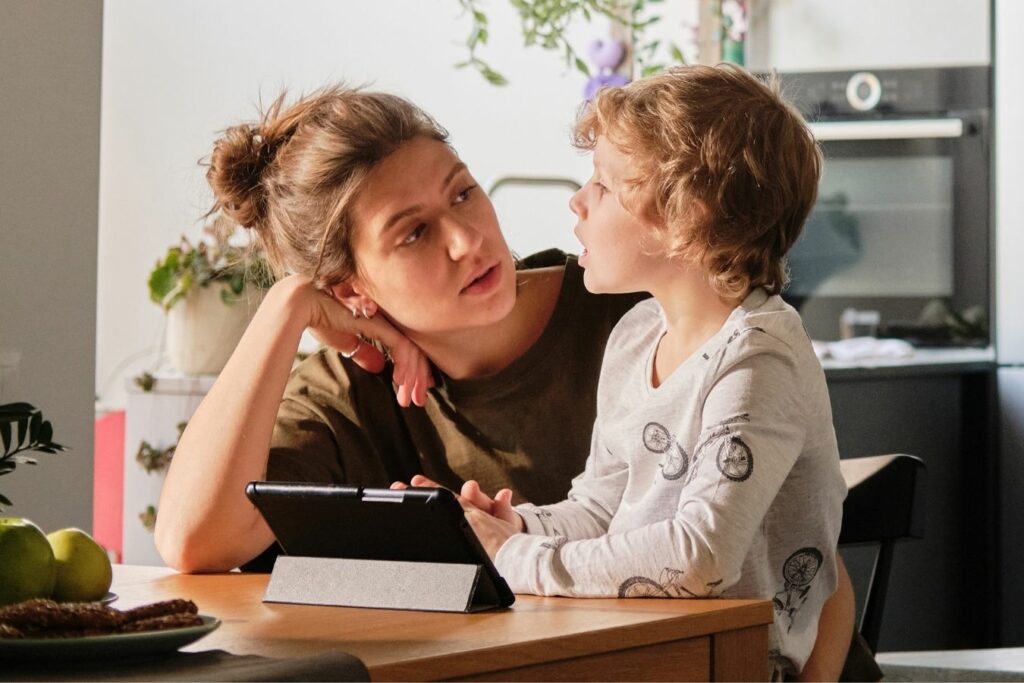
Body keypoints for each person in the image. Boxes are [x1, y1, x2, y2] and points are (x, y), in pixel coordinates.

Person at [154, 84, 857, 680]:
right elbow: (192, 542)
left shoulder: (639, 303)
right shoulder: (348, 390)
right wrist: (285, 308)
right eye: (413, 233)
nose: (467, 239)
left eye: (463, 192)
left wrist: (510, 551)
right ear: (350, 290)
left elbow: (799, 556)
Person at [401, 64, 846, 679]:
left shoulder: (758, 358)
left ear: (687, 217)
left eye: (603, 186)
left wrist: (516, 557)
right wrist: (511, 526)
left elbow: (701, 557)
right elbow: (602, 508)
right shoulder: (638, 333)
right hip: (636, 643)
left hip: (723, 662)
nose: (577, 201)